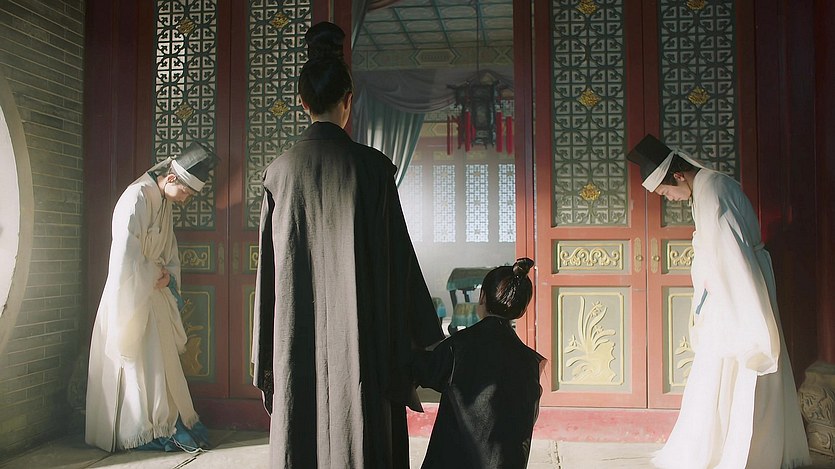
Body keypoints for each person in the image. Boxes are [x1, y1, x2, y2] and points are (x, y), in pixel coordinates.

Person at [250, 21, 445, 469]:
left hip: (296, 334)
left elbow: (270, 276)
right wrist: (426, 342)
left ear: (303, 103)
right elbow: (400, 265)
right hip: (364, 341)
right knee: (363, 432)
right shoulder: (373, 170)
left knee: (301, 424)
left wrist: (267, 353)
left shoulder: (278, 174)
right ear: (348, 101)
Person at [627, 134, 811, 469]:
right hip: (724, 288)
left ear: (678, 175)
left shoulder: (714, 189)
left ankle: (744, 452)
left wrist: (745, 312)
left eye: (666, 192)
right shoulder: (705, 189)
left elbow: (732, 253)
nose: (669, 198)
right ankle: (725, 446)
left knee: (742, 361)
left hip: (735, 289)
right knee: (718, 369)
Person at [86, 142, 215, 452]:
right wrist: (152, 274)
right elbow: (124, 257)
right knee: (140, 365)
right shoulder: (136, 198)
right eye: (186, 192)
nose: (186, 199)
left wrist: (167, 276)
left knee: (161, 364)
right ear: (170, 178)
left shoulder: (163, 202)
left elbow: (169, 250)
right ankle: (142, 428)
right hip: (131, 294)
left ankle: (166, 422)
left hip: (153, 290)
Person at [412, 258, 546, 469]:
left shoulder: (457, 346)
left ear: (482, 297)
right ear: (522, 310)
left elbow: (424, 373)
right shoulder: (531, 361)